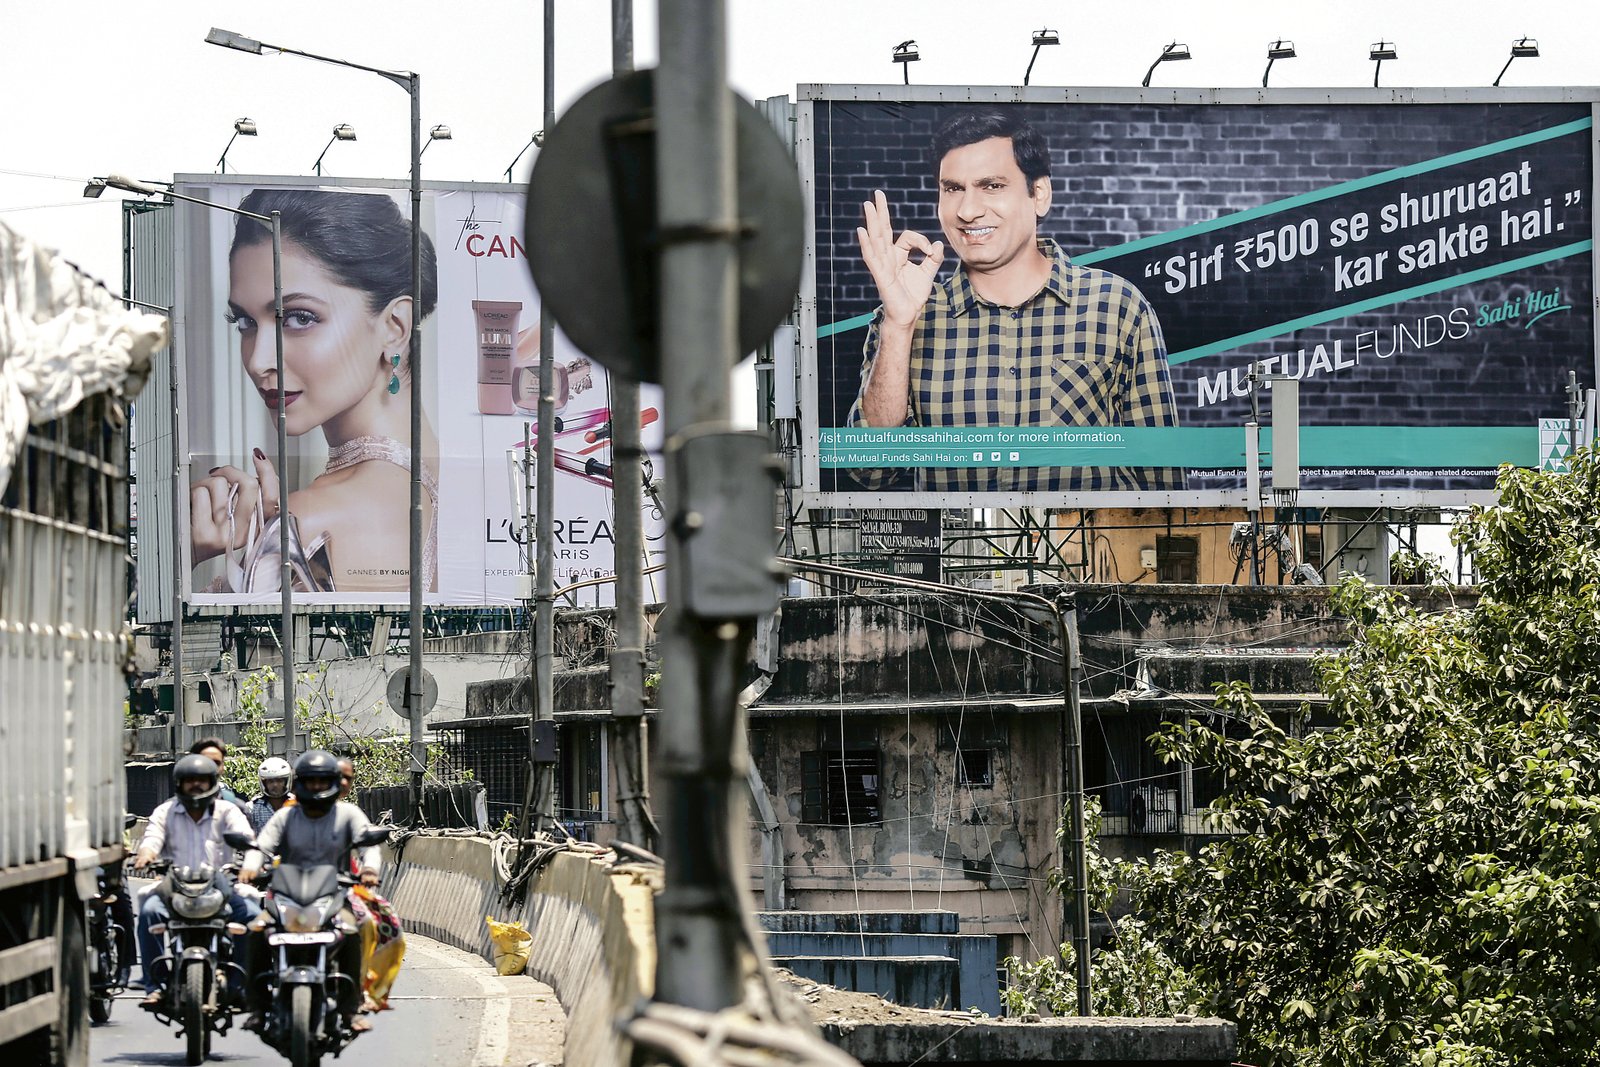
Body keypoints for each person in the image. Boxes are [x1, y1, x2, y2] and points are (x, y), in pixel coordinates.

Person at [845, 109, 1182, 493]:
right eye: (953, 188)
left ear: (1039, 194)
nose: (967, 211)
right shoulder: (905, 316)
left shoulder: (1117, 307)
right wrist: (899, 325)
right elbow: (869, 471)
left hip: (1087, 552)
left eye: (991, 186)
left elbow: (1162, 481)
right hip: (966, 554)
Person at [188, 188, 441, 594]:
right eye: (245, 323)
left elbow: (232, 659)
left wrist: (186, 556)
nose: (257, 362)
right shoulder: (453, 481)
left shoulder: (305, 523)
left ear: (395, 326)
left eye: (298, 317)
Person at [239, 750, 382, 1033]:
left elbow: (369, 846)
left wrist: (369, 869)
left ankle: (350, 1008)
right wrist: (250, 868)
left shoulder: (349, 814)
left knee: (357, 928)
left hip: (333, 895)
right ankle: (257, 1006)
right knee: (256, 929)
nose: (316, 787)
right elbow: (261, 847)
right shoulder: (286, 817)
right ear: (300, 782)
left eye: (322, 781)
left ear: (333, 781)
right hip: (286, 896)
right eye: (310, 781)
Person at [132, 754, 259, 1007]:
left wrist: (249, 868)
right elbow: (152, 837)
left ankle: (240, 984)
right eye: (189, 781)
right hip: (175, 887)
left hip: (220, 886)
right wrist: (146, 854)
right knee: (148, 914)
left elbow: (250, 844)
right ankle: (154, 985)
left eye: (201, 780)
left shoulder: (228, 811)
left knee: (254, 919)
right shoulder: (165, 811)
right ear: (179, 783)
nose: (196, 786)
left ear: (212, 781)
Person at [190, 736, 245, 810]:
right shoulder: (172, 811)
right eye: (206, 762)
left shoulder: (237, 809)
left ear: (223, 767)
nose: (211, 767)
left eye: (216, 763)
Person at [244, 756, 294, 834]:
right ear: (264, 783)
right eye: (270, 781)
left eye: (279, 780)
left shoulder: (298, 805)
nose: (275, 785)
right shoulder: (253, 808)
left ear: (286, 781)